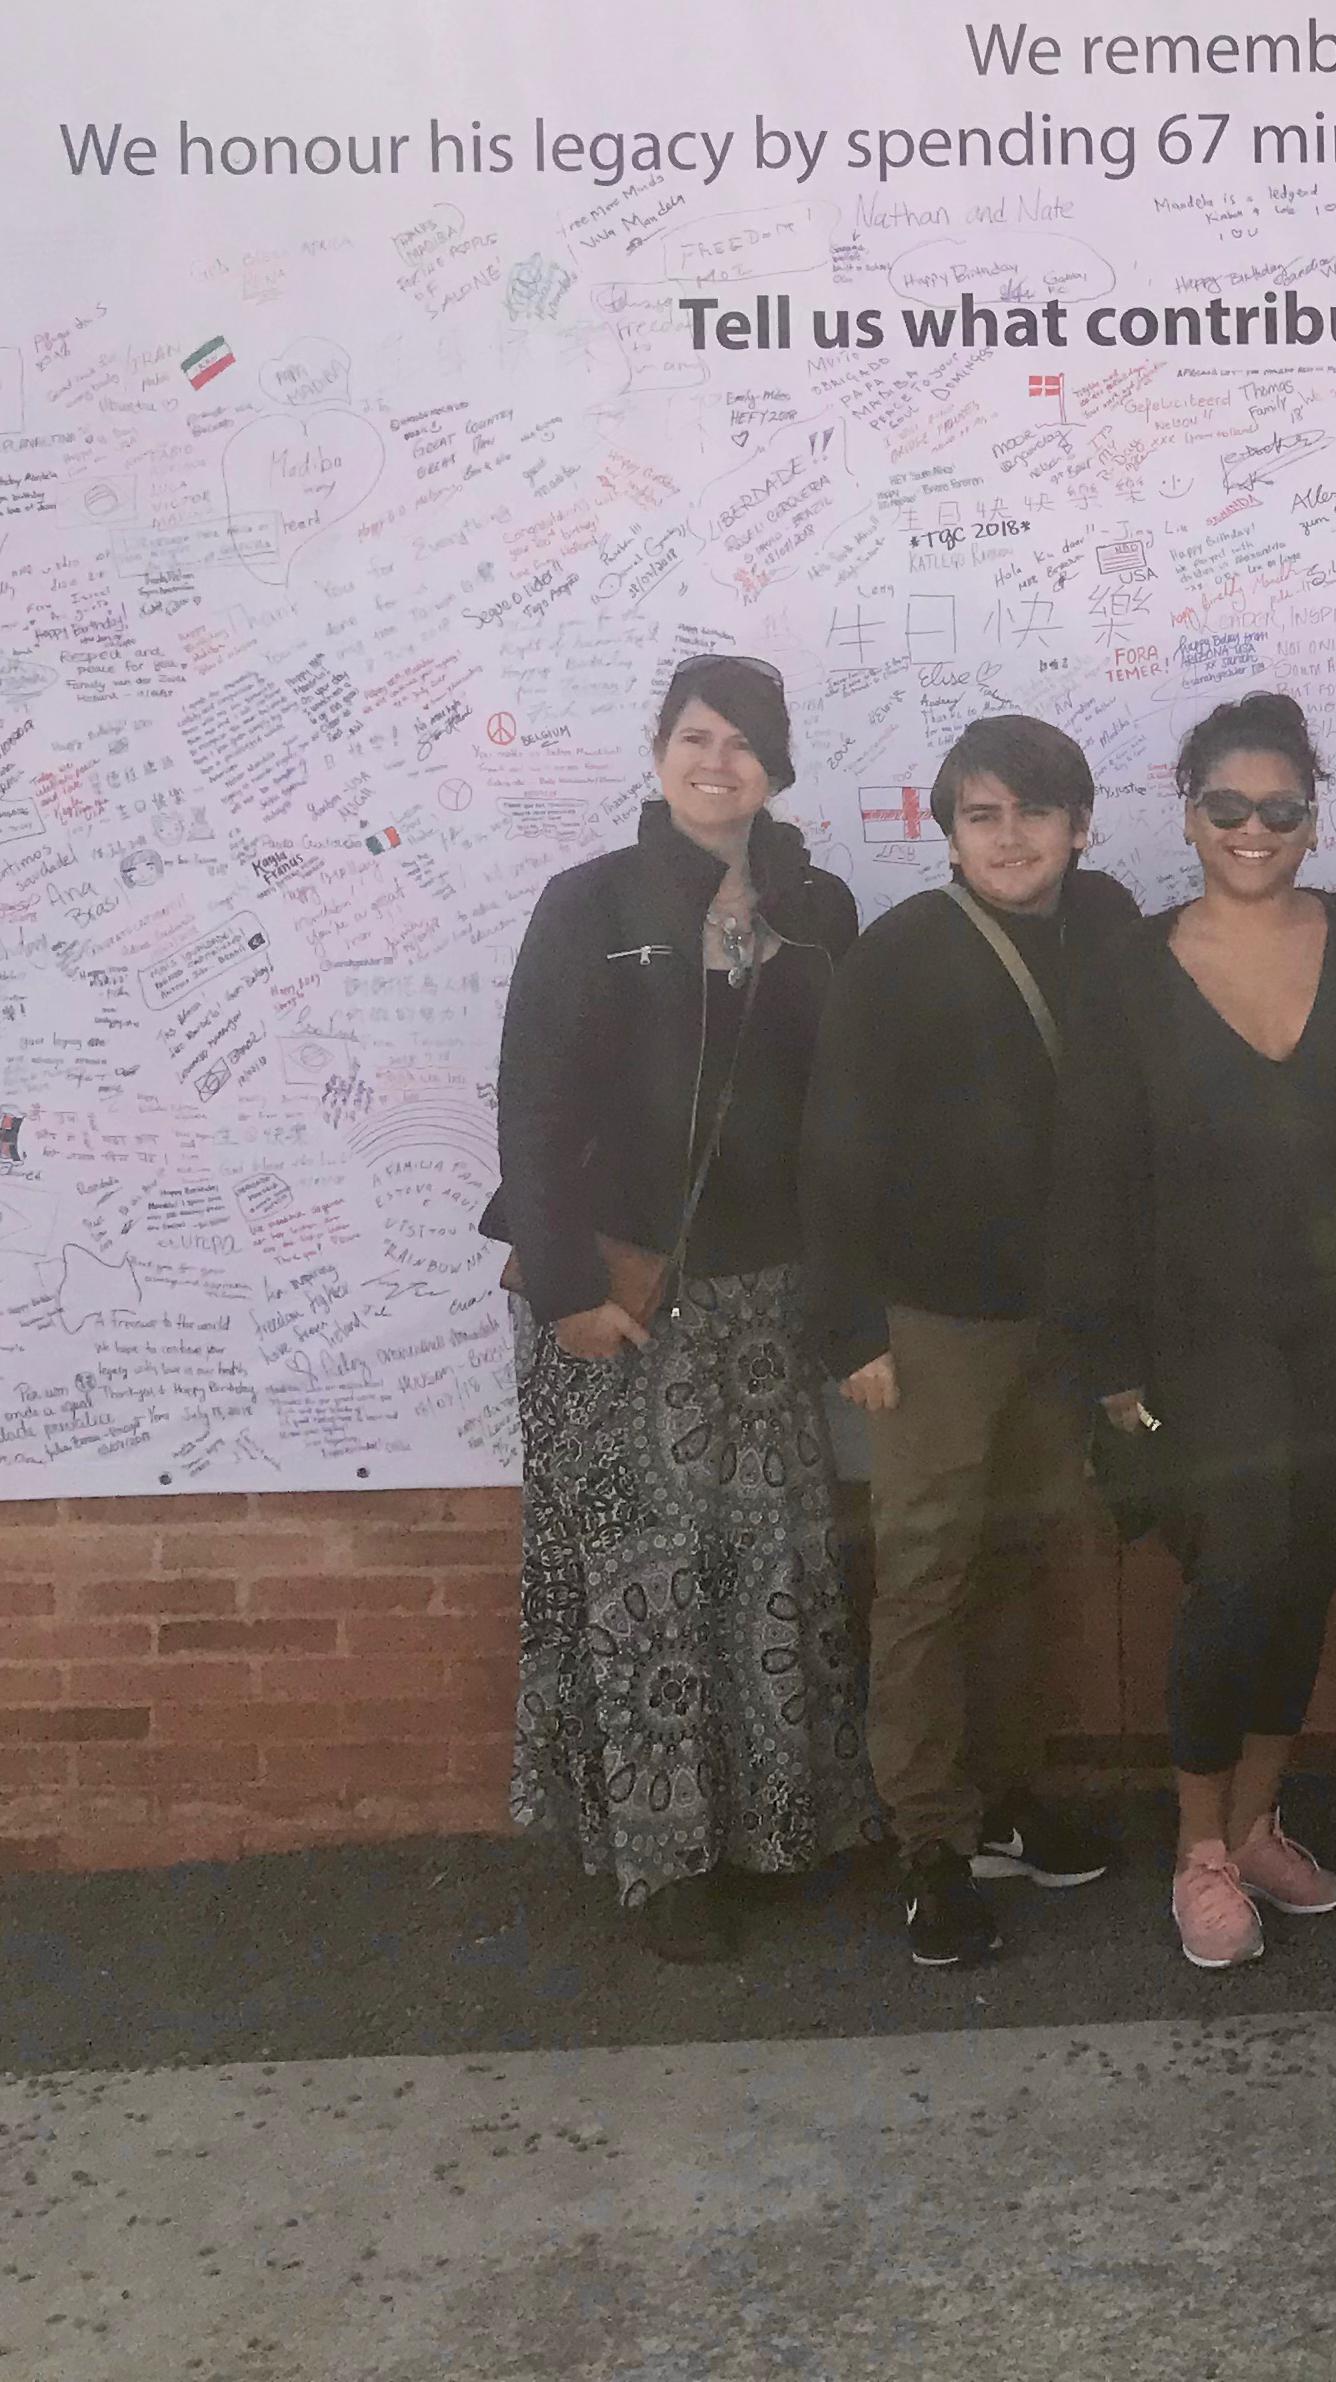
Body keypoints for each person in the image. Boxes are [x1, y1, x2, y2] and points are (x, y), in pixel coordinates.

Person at [1051, 693, 1336, 1970]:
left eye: (1279, 809)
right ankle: (1195, 1849)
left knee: (1310, 1563)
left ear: (1312, 817)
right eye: (1226, 807)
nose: (1252, 830)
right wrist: (1108, 1359)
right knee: (1236, 1564)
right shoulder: (1131, 961)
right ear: (1187, 813)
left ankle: (1254, 1826)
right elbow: (1090, 1166)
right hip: (1196, 1333)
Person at [484, 653, 879, 1961]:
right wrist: (568, 1290)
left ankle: (770, 1835)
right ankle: (664, 1867)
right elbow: (529, 1108)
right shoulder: (589, 901)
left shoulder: (820, 907)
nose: (720, 762)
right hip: (619, 1302)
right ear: (660, 750)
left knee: (768, 1572)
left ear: (780, 764)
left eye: (746, 741)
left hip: (764, 1303)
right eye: (697, 736)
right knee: (643, 1583)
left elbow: (848, 1112)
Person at [802, 714, 1134, 1967]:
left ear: (1080, 825)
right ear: (948, 832)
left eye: (1035, 813)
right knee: (929, 1580)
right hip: (930, 1326)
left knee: (1022, 1565)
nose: (1012, 837)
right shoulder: (897, 955)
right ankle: (929, 1846)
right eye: (984, 815)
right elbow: (833, 1147)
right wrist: (847, 1327)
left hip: (1060, 1325)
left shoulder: (1109, 931)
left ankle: (1003, 1798)